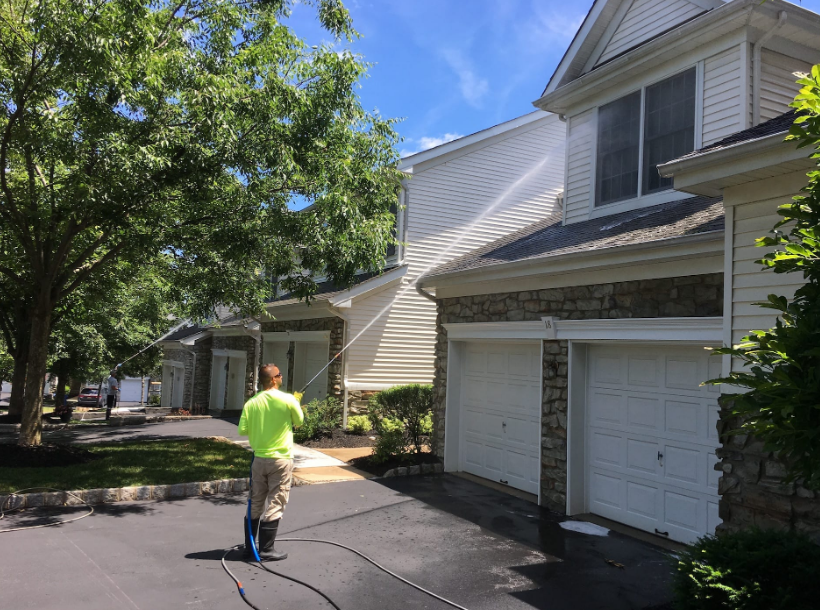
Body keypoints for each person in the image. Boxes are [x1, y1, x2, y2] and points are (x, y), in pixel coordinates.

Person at [238, 364, 304, 561]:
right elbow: (299, 421)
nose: (282, 376)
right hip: (281, 460)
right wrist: (296, 402)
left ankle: (250, 549)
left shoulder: (251, 403)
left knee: (255, 501)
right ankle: (266, 550)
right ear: (274, 379)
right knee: (277, 500)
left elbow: (242, 430)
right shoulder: (288, 399)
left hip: (259, 460)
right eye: (280, 374)